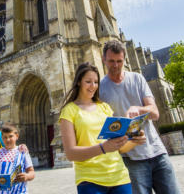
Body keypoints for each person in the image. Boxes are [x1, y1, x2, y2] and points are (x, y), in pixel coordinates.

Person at [99, 40, 182, 194]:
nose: (116, 65)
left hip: (157, 152)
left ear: (125, 59)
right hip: (131, 160)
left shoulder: (137, 78)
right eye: (111, 61)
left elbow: (155, 113)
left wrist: (138, 109)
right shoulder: (100, 89)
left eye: (119, 61)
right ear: (103, 59)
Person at [59, 62, 145, 194]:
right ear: (78, 82)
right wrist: (103, 148)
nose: (93, 86)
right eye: (88, 81)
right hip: (90, 180)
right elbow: (71, 154)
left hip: (119, 176)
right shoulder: (69, 110)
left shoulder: (104, 107)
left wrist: (134, 140)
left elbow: (118, 147)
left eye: (96, 82)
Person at [0, 123, 35, 194]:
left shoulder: (23, 152)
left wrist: (27, 176)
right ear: (2, 138)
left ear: (17, 136)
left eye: (10, 136)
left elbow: (32, 172)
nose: (8, 139)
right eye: (5, 137)